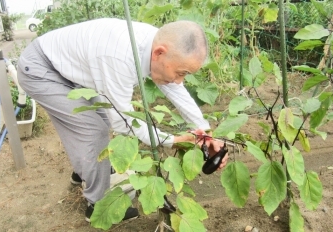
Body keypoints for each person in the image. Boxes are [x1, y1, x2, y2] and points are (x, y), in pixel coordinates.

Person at [17, 18, 228, 222]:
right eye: (180, 73)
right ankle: (97, 206)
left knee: (98, 119)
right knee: (93, 130)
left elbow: (174, 87)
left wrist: (204, 132)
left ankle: (84, 171)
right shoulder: (119, 56)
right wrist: (173, 140)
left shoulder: (159, 45)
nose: (179, 80)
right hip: (41, 70)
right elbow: (124, 122)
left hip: (68, 69)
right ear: (159, 53)